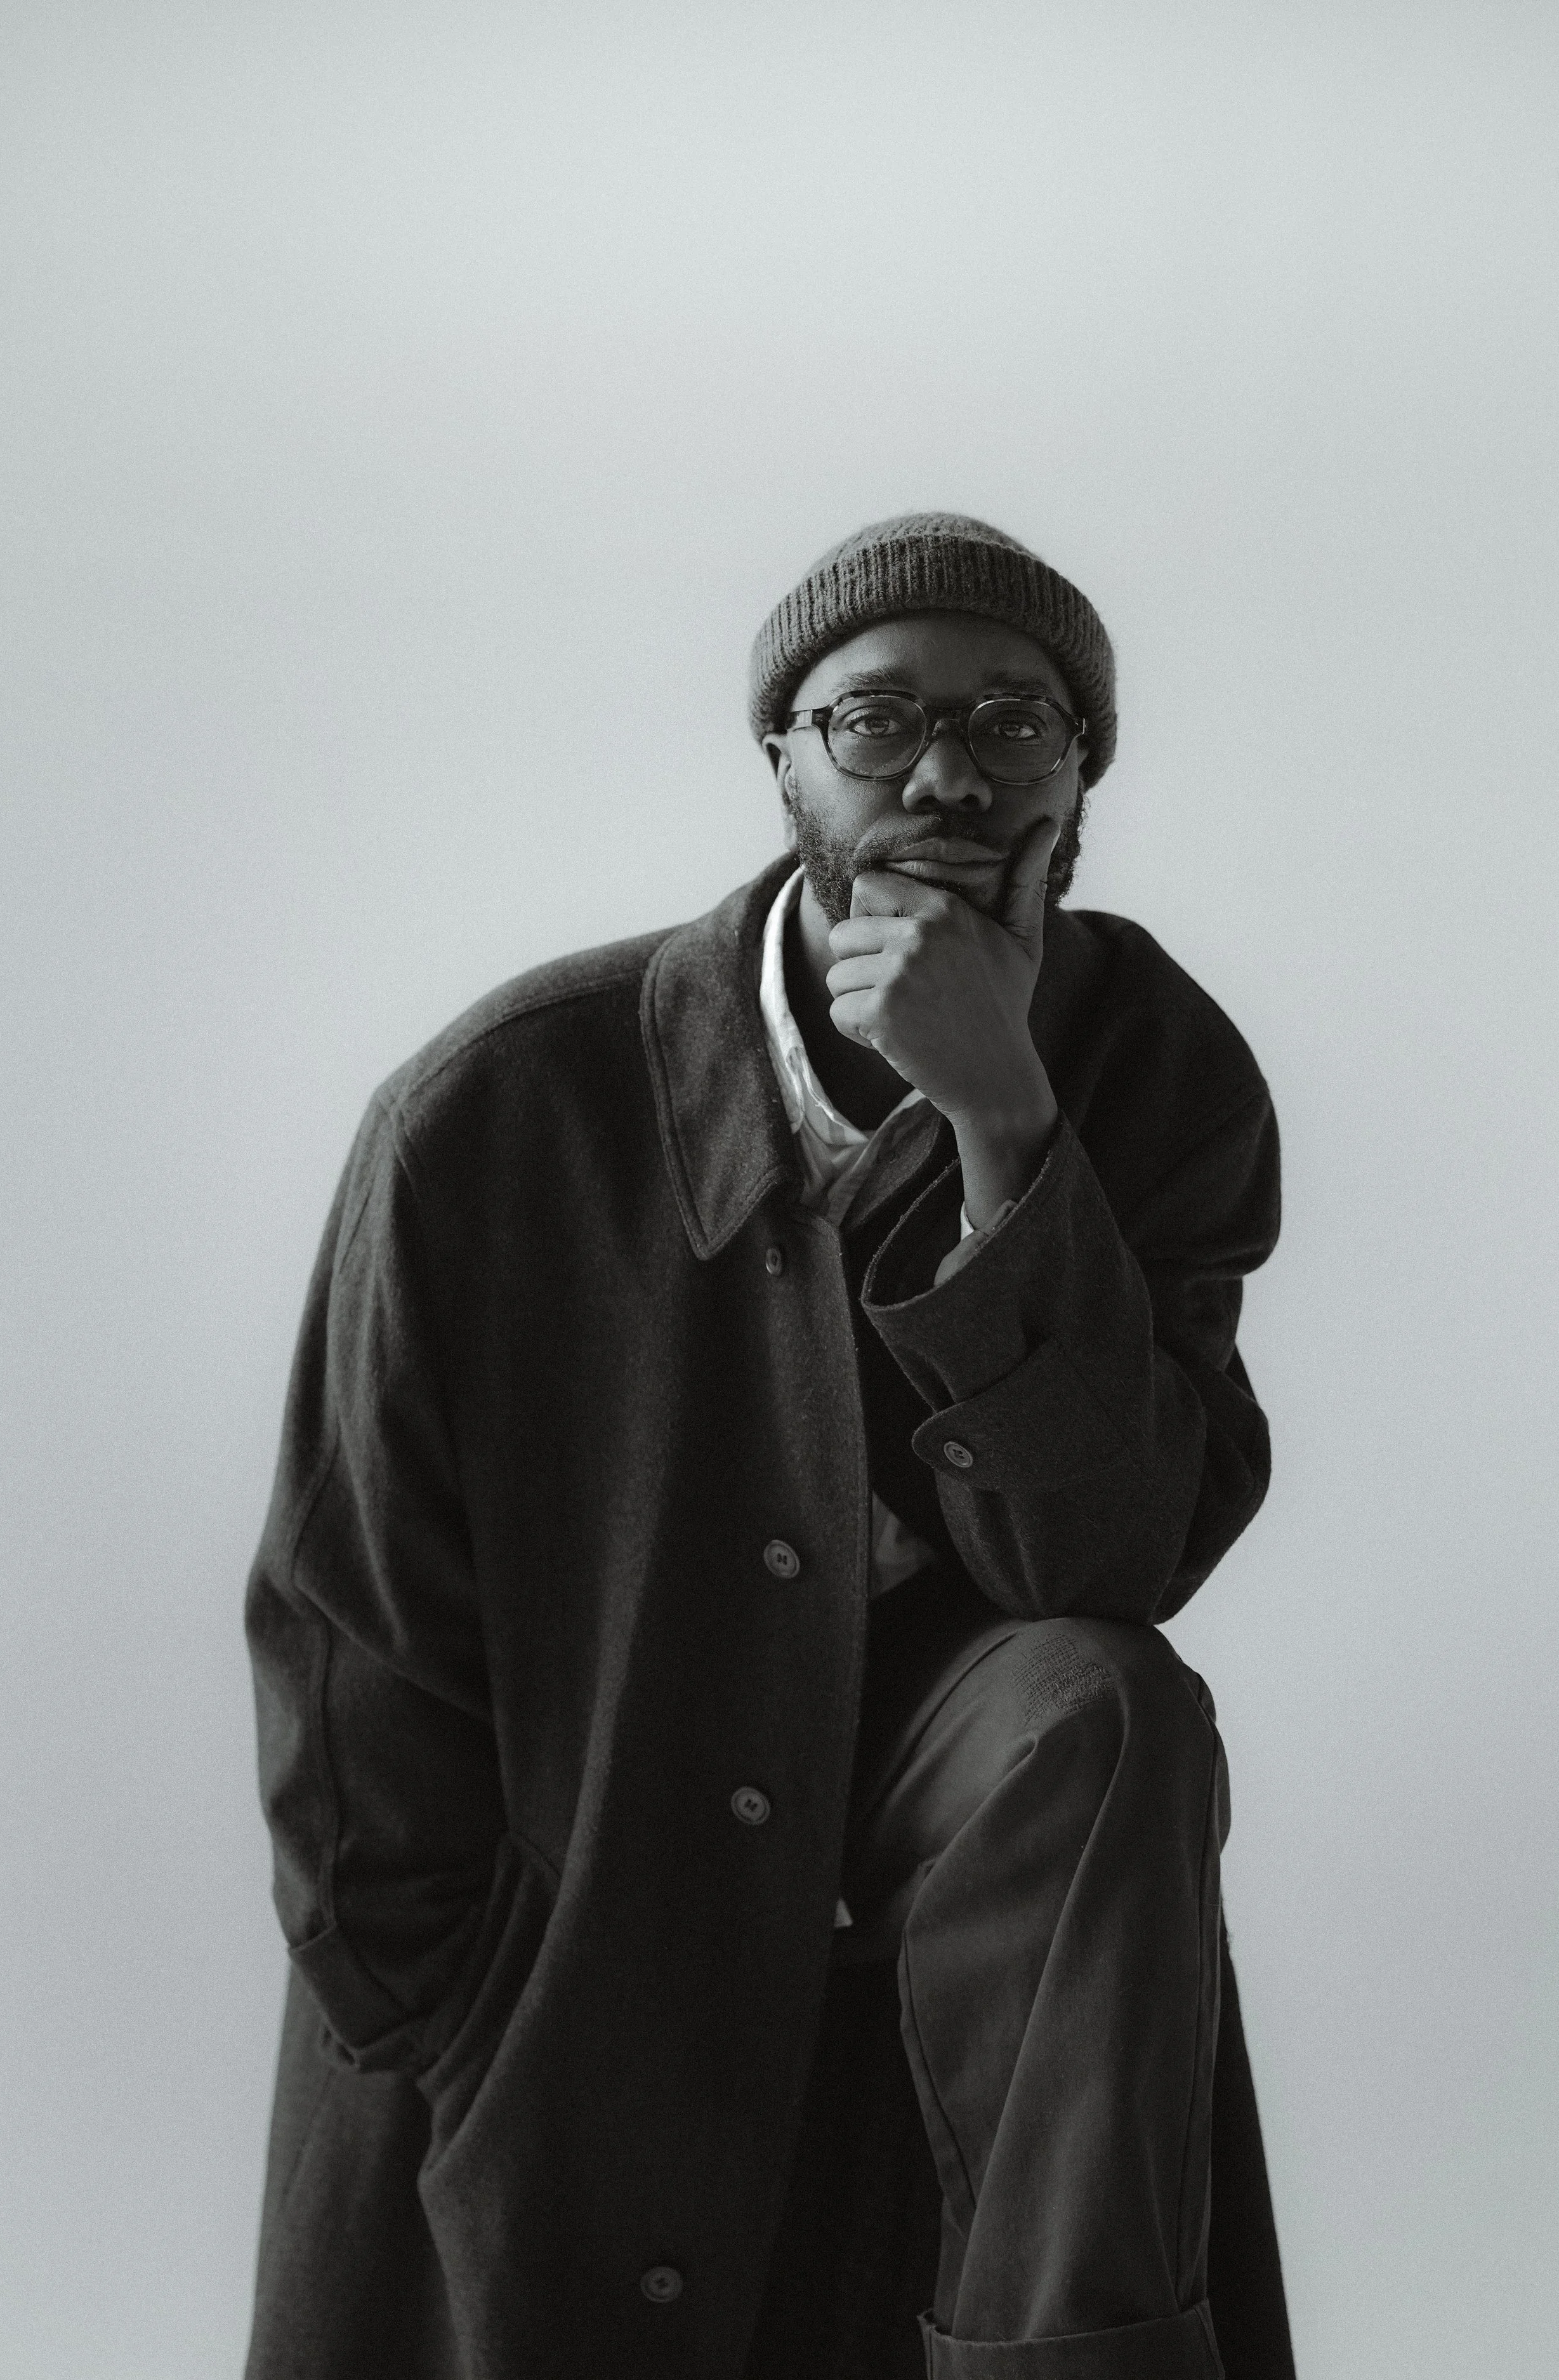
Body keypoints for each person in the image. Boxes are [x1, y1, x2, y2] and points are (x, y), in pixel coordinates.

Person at [244, 513, 1293, 2380]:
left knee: (1106, 1697)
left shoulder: (1155, 1071)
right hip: (590, 1811)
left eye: (1012, 720)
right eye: (875, 718)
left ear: (1081, 769)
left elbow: (1112, 1553)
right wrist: (439, 2000)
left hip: (936, 1777)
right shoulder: (503, 1102)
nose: (948, 770)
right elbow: (352, 1615)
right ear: (783, 755)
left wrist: (1007, 1134)